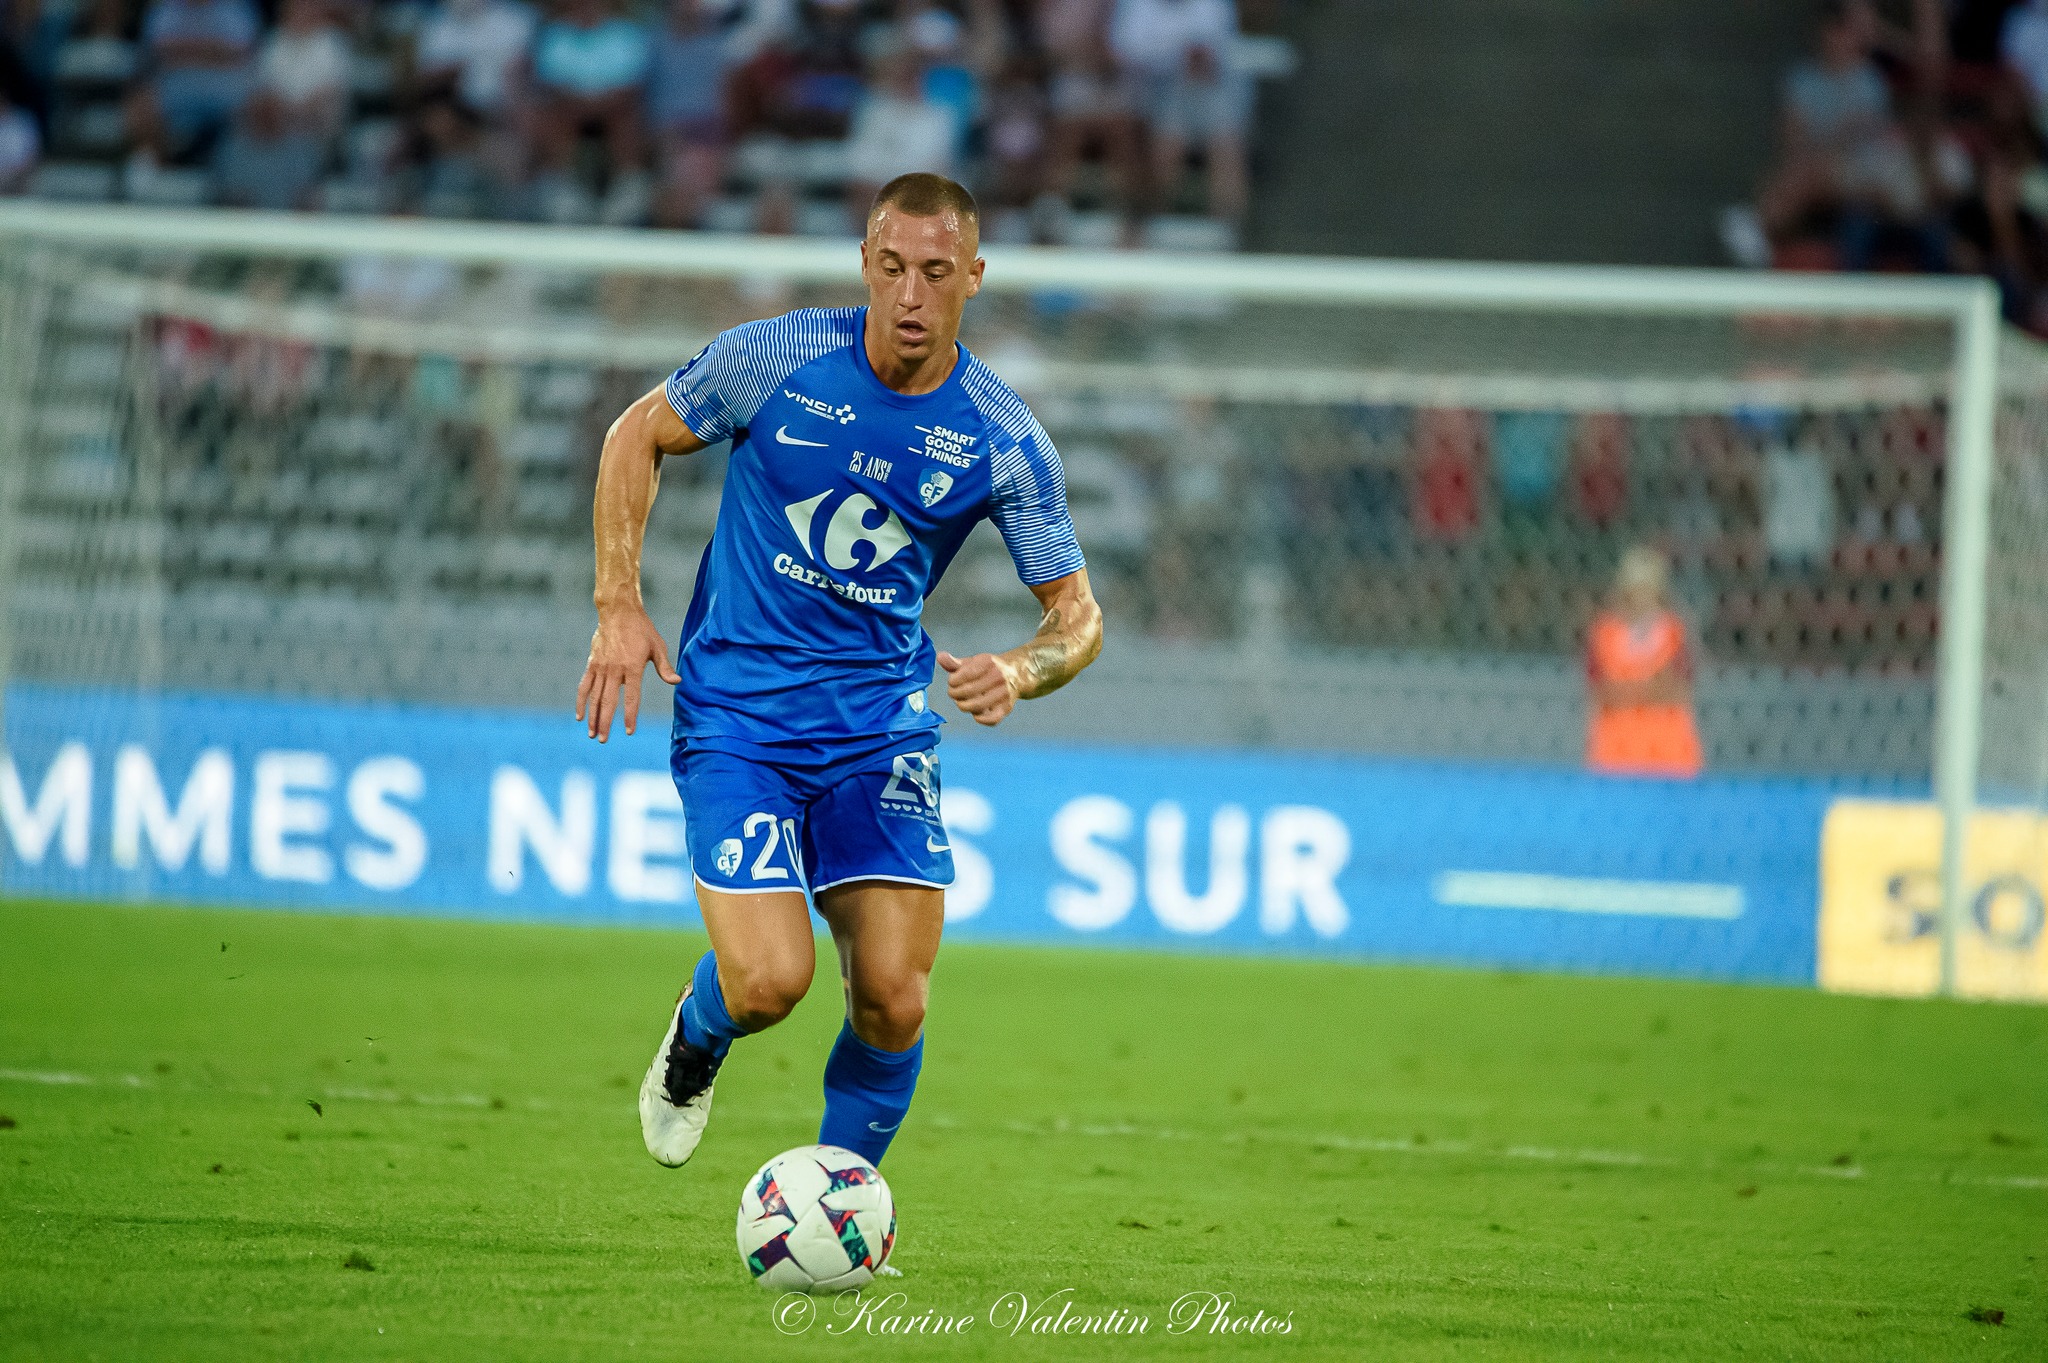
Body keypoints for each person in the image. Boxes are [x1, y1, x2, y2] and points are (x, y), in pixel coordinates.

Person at [576, 173, 1102, 1180]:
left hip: (878, 729)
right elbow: (632, 433)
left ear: (974, 279)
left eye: (935, 273)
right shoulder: (775, 356)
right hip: (739, 714)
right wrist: (616, 603)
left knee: (894, 995)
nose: (910, 294)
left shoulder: (1002, 437)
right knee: (771, 980)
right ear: (865, 264)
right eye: (892, 267)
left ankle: (833, 1200)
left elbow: (1075, 618)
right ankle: (697, 1036)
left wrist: (1022, 671)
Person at [1111, 0, 1249, 226]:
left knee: (1225, 144)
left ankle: (1229, 229)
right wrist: (1173, 59)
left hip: (1207, 90)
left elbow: (1210, 53)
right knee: (1166, 145)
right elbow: (1126, 53)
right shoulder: (1137, 5)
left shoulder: (1212, 4)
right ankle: (1152, 226)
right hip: (1150, 92)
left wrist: (1174, 56)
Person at [1585, 546, 1703, 779]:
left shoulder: (1675, 632)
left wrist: (1627, 690)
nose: (1641, 597)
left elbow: (1678, 688)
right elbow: (1600, 690)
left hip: (1668, 753)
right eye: (1635, 588)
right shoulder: (1604, 633)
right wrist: (1649, 686)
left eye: (1648, 588)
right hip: (1616, 753)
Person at [125, 0, 260, 168]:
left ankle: (234, 173)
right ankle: (154, 171)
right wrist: (215, 51)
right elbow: (157, 53)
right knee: (141, 105)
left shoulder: (234, 9)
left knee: (257, 105)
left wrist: (185, 52)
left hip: (226, 89)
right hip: (175, 88)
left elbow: (243, 54)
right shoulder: (166, 10)